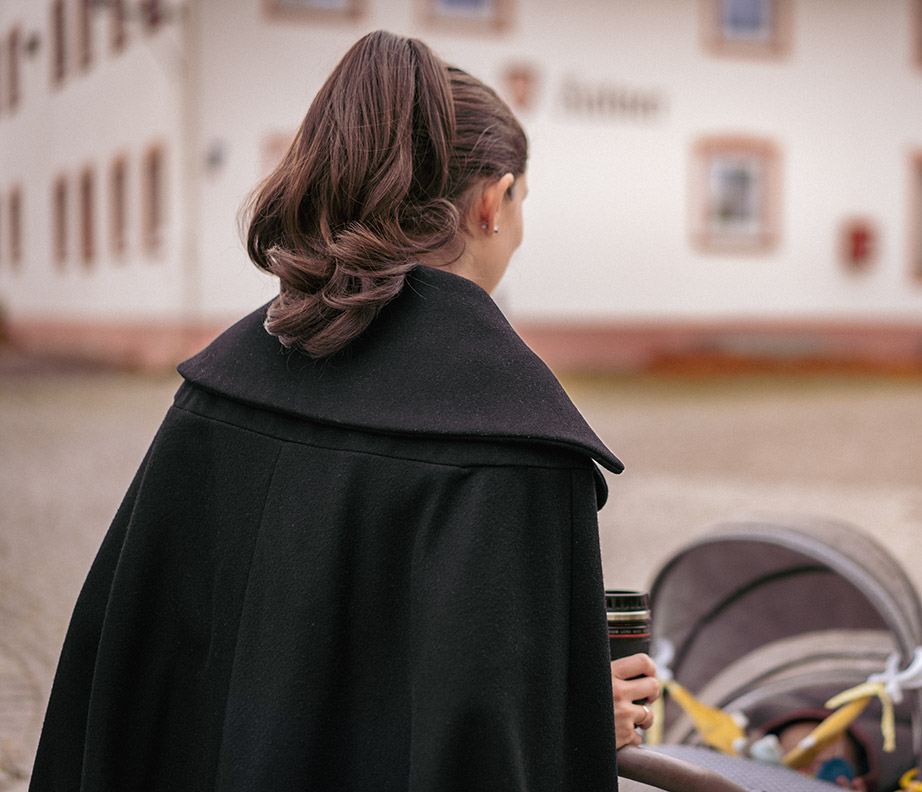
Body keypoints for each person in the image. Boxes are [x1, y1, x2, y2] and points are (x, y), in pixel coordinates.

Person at [29, 30, 657, 792]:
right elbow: (478, 750)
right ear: (493, 202)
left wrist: (565, 706)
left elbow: (128, 677)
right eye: (521, 199)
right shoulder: (515, 449)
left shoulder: (219, 394)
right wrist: (568, 721)